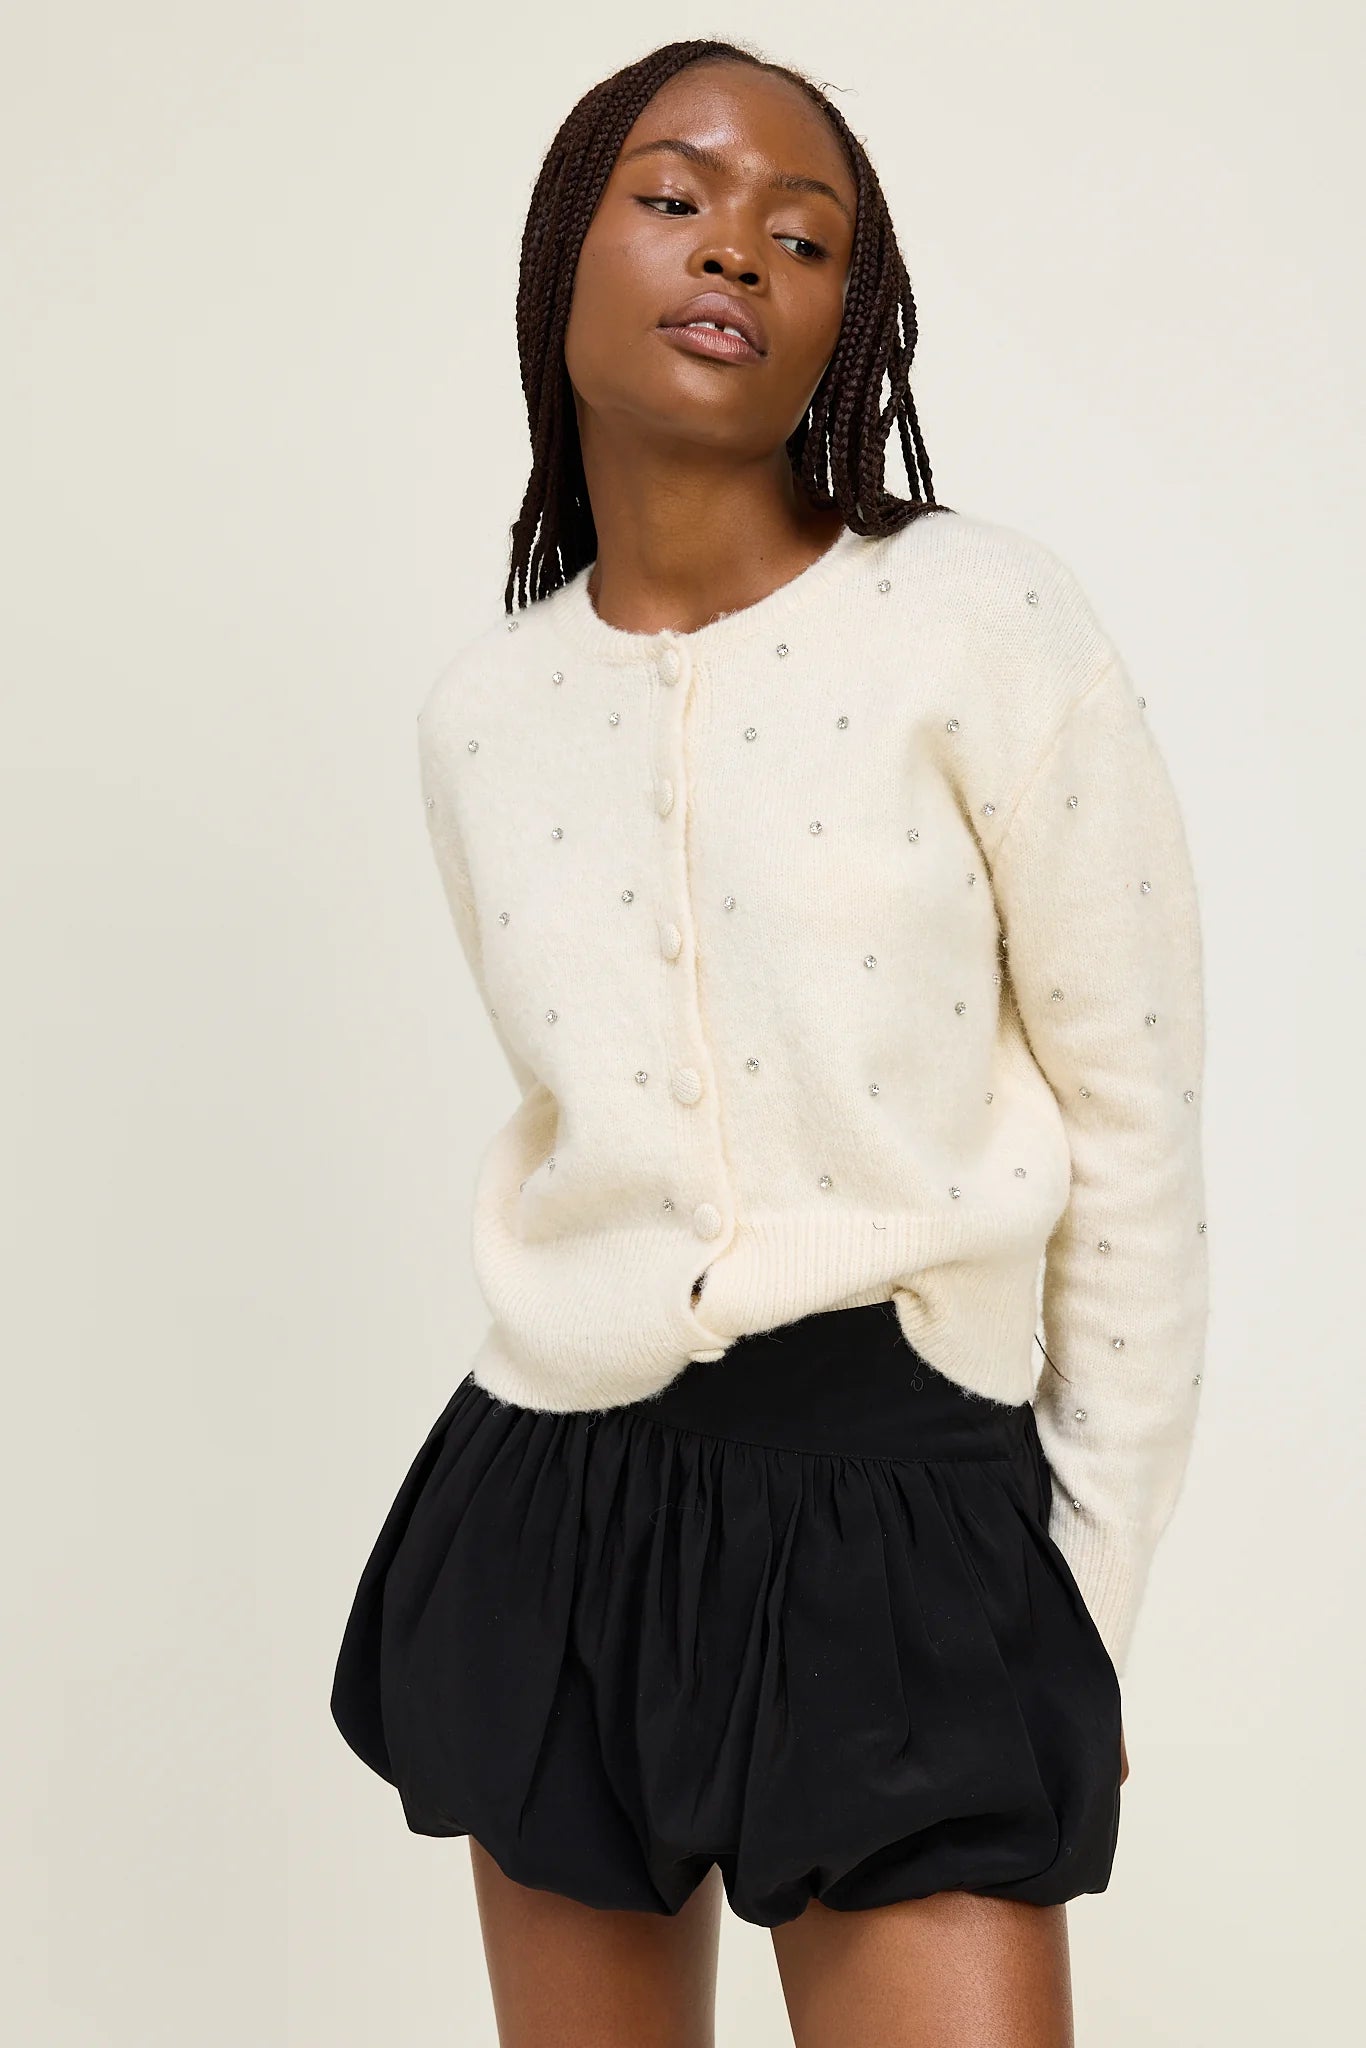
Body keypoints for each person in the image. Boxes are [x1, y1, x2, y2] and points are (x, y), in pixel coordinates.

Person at [331, 35, 1210, 2047]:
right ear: (563, 250)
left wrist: (1082, 1591)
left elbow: (1137, 1129)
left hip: (909, 1513)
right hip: (557, 1507)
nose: (734, 247)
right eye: (673, 198)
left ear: (843, 319)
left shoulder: (981, 620)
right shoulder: (485, 717)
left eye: (800, 237)